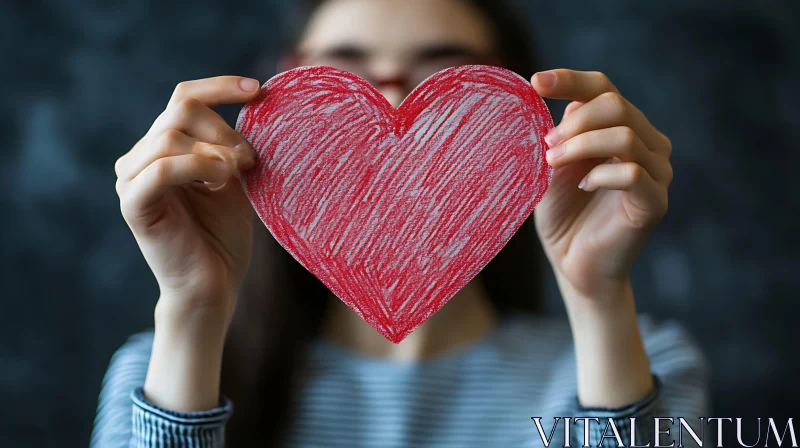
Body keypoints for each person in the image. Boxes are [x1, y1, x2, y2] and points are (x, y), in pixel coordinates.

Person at [92, 0, 708, 446]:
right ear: (272, 109)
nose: (390, 97)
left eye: (445, 69)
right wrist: (194, 311)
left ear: (526, 112)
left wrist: (597, 298)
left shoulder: (643, 359)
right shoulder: (159, 372)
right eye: (343, 67)